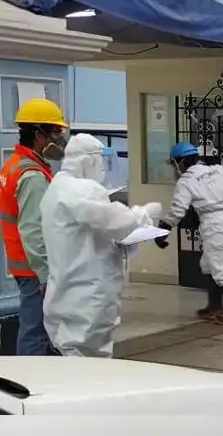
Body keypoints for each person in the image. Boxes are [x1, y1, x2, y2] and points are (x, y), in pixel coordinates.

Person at [40, 134, 162, 358]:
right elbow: (114, 221)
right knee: (91, 363)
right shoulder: (82, 189)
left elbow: (97, 231)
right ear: (88, 161)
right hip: (88, 294)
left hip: (64, 292)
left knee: (71, 356)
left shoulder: (56, 187)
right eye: (100, 160)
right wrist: (142, 214)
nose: (103, 168)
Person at [156, 142, 223, 325]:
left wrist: (163, 229)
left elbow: (177, 210)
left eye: (174, 164)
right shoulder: (216, 170)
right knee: (208, 263)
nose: (174, 169)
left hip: (214, 226)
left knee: (221, 268)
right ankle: (215, 306)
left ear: (181, 162)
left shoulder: (186, 181)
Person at [0, 98, 69, 356]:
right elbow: (33, 230)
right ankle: (33, 383)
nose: (61, 139)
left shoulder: (15, 163)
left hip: (23, 264)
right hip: (33, 268)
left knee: (34, 328)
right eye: (56, 132)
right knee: (35, 332)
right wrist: (46, 274)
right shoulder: (31, 174)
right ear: (38, 134)